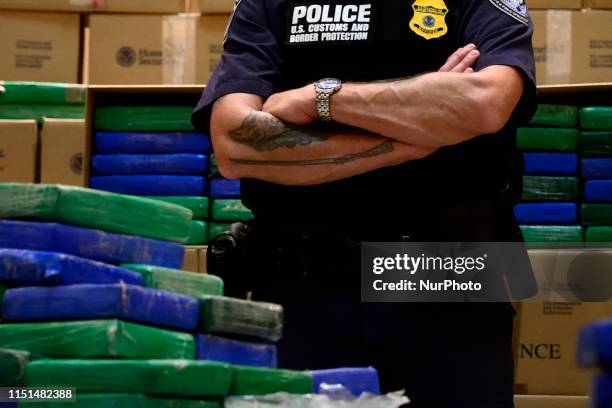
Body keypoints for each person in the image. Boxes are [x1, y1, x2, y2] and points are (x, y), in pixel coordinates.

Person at [193, 1, 536, 406]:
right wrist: (413, 135)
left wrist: (321, 98)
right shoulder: (267, 4)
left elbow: (485, 102)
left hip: (451, 277)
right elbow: (235, 143)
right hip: (305, 287)